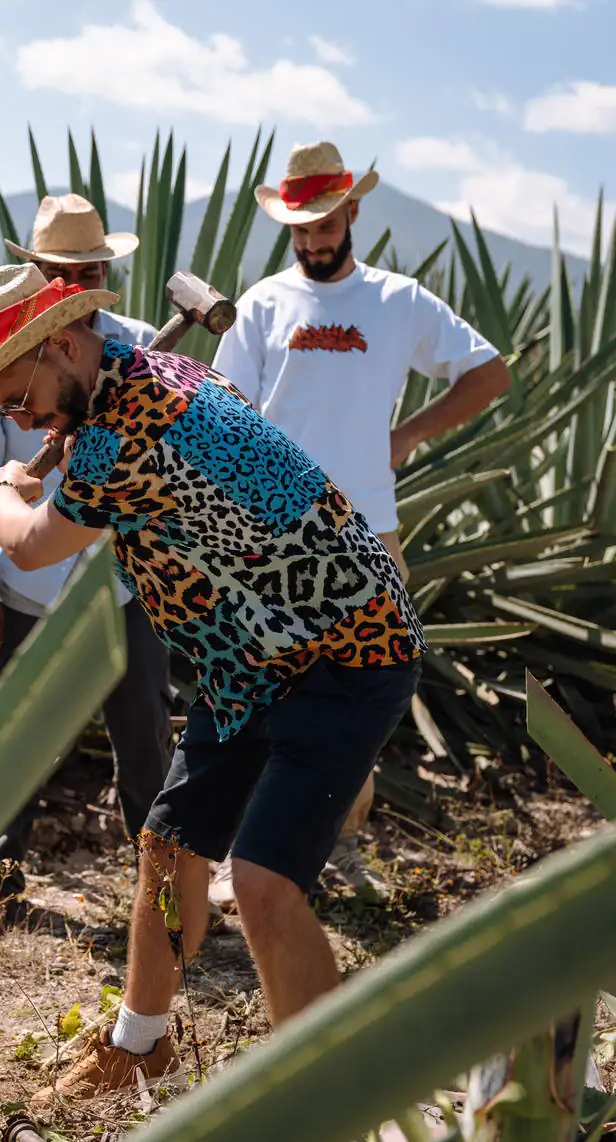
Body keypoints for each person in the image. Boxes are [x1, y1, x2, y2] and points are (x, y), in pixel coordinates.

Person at [0, 262, 427, 1142]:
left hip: (343, 644)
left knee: (265, 881)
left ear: (66, 345)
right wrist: (56, 430)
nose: (23, 422)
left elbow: (31, 543)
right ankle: (139, 1048)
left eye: (19, 398)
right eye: (4, 411)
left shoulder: (126, 428)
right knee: (167, 843)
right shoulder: (122, 377)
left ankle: (328, 1125)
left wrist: (3, 488)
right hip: (248, 656)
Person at [212, 141, 510, 894]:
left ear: (352, 213)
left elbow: (490, 372)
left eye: (325, 224)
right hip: (269, 532)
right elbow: (219, 408)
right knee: (257, 687)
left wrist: (409, 434)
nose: (314, 241)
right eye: (300, 230)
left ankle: (336, 847)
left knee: (359, 698)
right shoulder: (261, 305)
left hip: (367, 529)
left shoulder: (397, 301)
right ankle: (243, 852)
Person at [0, 196, 172, 929]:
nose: (74, 283)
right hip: (29, 588)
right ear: (34, 273)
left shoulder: (138, 350)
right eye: (59, 271)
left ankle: (165, 888)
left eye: (88, 270)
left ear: (106, 271)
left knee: (143, 734)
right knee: (11, 737)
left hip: (125, 584)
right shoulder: (0, 355)